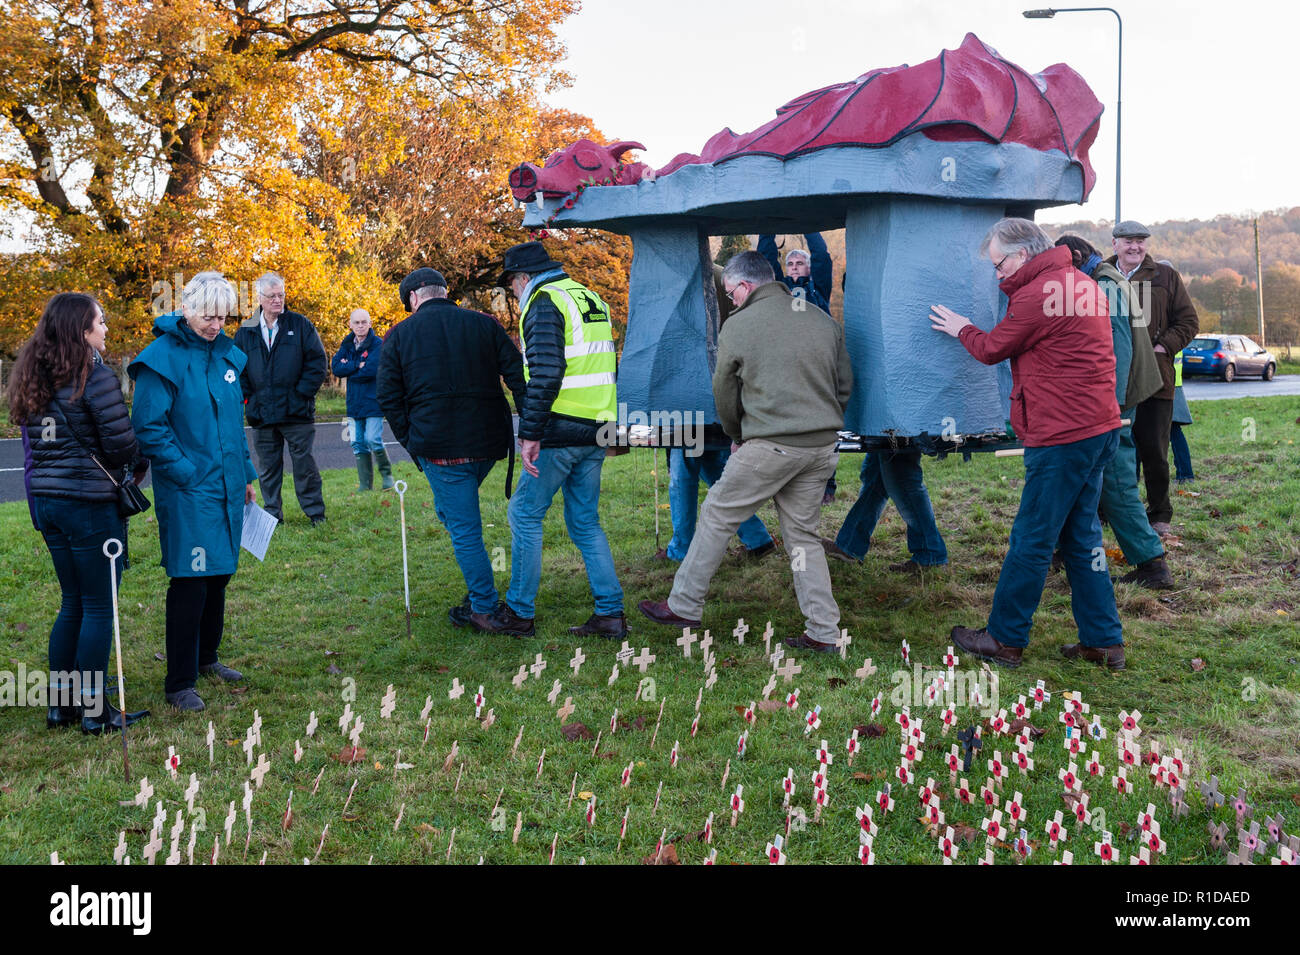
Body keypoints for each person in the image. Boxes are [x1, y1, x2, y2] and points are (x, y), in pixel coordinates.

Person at [931, 218, 1126, 669]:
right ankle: (1103, 640)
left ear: (1022, 255)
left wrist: (961, 326)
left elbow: (991, 348)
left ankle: (1004, 638)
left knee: (1033, 538)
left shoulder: (1038, 294)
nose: (996, 274)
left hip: (1062, 436)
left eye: (998, 264)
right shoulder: (1079, 282)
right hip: (1098, 427)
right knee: (1083, 537)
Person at [639, 251, 852, 652]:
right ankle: (824, 631)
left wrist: (738, 434)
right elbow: (844, 384)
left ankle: (684, 604)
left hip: (771, 446)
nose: (730, 299)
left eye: (730, 292)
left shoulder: (738, 326)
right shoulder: (821, 319)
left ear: (746, 285)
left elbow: (724, 392)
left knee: (718, 512)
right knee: (803, 539)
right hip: (821, 447)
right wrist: (824, 420)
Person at [8, 293, 151, 734]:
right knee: (97, 606)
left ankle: (61, 705)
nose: (106, 329)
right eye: (100, 322)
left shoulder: (36, 376)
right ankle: (94, 711)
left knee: (72, 602)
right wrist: (137, 463)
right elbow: (121, 444)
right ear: (81, 330)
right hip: (88, 505)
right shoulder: (95, 376)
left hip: (49, 503)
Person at [479, 241, 627, 639]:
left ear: (523, 277)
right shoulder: (587, 295)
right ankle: (610, 612)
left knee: (525, 514)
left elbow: (546, 372)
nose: (512, 292)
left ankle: (519, 613)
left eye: (511, 284)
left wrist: (530, 432)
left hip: (560, 429)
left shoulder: (544, 301)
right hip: (597, 425)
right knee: (585, 522)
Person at [130, 272, 258, 712]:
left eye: (222, 316)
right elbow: (149, 426)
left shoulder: (225, 358)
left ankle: (207, 658)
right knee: (191, 580)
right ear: (185, 309)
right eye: (207, 314)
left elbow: (233, 428)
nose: (215, 323)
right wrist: (184, 472)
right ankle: (179, 680)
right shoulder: (161, 358)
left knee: (219, 575)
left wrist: (244, 477)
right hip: (188, 490)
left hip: (224, 487)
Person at [376, 267, 527, 629]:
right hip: (488, 443)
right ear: (443, 291)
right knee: (453, 511)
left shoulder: (399, 334)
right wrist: (528, 421)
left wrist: (411, 441)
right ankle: (482, 593)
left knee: (464, 530)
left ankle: (484, 608)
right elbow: (517, 374)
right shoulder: (484, 323)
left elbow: (387, 396)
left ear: (413, 298)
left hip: (442, 448)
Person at [1054, 234, 1173, 590]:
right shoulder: (1106, 279)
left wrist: (1112, 407)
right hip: (1117, 399)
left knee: (1117, 481)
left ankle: (1152, 564)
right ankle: (1066, 549)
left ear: (1076, 257)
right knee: (1085, 475)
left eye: (1063, 267)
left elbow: (1117, 350)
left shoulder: (1105, 287)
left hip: (1116, 402)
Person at [657, 265, 776, 563]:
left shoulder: (679, 278)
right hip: (720, 395)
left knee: (683, 475)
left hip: (690, 395)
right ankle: (758, 539)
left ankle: (681, 549)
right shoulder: (724, 276)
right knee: (716, 471)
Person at [1108, 222, 1199, 537]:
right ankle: (1117, 511)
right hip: (1112, 379)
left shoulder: (1165, 276)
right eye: (1128, 241)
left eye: (1140, 241)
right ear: (1115, 243)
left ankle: (1159, 513)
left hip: (1157, 379)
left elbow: (1188, 321)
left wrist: (1164, 347)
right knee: (1115, 450)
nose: (1135, 247)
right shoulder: (1101, 276)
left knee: (1155, 451)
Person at [233, 272, 328, 525]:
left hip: (297, 412)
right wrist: (249, 400)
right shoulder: (246, 330)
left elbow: (318, 363)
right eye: (272, 296)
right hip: (261, 414)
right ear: (259, 298)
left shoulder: (300, 324)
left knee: (304, 467)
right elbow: (236, 368)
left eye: (281, 295)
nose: (278, 300)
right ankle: (273, 515)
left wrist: (301, 394)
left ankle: (315, 514)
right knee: (267, 469)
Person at [758, 233, 838, 503]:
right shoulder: (778, 290)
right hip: (786, 368)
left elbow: (823, 258)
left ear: (808, 268)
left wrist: (809, 227)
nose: (793, 266)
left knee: (822, 425)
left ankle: (827, 485)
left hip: (817, 367)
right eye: (790, 262)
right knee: (787, 426)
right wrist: (767, 230)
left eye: (799, 263)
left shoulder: (819, 287)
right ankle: (787, 483)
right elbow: (767, 259)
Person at [822, 447, 948, 573]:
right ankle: (851, 545)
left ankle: (931, 553)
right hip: (884, 432)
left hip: (898, 431)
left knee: (903, 478)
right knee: (875, 476)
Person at [332, 308, 394, 491]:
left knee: (372, 438)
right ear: (350, 324)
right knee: (357, 442)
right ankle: (365, 486)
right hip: (354, 402)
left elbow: (370, 371)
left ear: (369, 323)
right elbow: (336, 368)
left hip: (373, 401)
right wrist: (356, 365)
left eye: (363, 322)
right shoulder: (347, 345)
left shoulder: (378, 345)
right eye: (356, 323)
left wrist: (350, 369)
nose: (360, 326)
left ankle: (387, 475)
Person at [1170, 349, 1195, 482]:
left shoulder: (1163, 331)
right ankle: (1185, 474)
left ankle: (1185, 474)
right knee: (1173, 431)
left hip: (1167, 385)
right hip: (1173, 383)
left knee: (1173, 431)